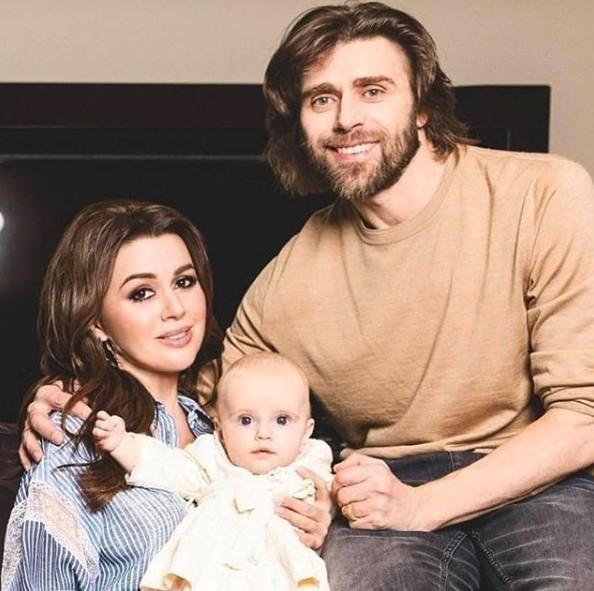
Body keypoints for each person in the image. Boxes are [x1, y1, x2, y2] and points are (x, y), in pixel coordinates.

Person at [20, 2, 594, 589]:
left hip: (537, 475)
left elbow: (585, 416)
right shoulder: (290, 279)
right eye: (322, 99)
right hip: (378, 487)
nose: (346, 119)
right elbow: (201, 390)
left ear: (423, 104)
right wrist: (74, 388)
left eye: (373, 90)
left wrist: (423, 506)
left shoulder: (544, 195)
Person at [3, 200, 329, 591]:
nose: (175, 308)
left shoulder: (225, 426)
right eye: (142, 293)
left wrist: (305, 522)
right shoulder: (78, 431)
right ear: (96, 322)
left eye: (184, 282)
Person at [93, 352, 333, 591]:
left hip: (282, 576)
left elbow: (335, 498)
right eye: (246, 420)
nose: (263, 433)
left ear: (306, 431)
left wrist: (331, 506)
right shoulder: (213, 459)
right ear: (220, 429)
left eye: (282, 420)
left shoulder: (313, 464)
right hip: (212, 575)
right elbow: (168, 466)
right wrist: (122, 444)